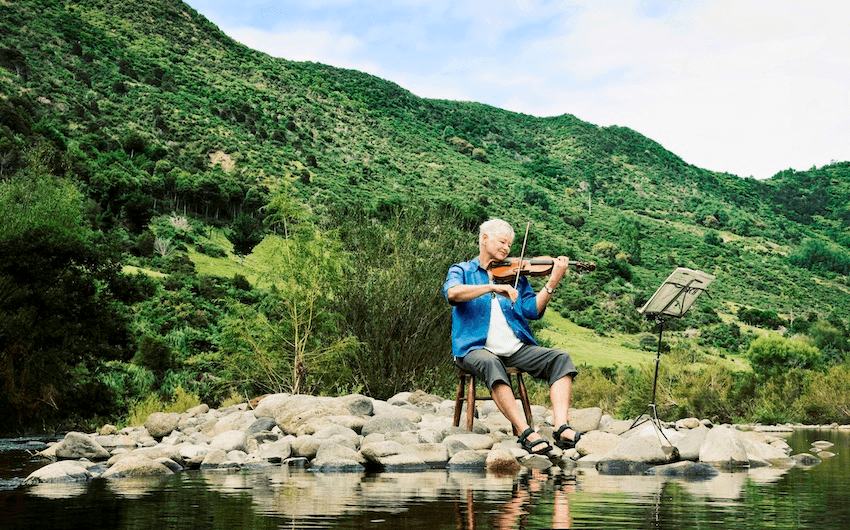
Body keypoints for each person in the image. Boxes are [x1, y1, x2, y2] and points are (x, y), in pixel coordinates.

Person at [443, 218, 581, 455]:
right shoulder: (462, 270)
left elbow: (532, 311)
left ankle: (562, 428)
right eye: (502, 242)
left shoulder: (516, 275)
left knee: (560, 358)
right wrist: (492, 287)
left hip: (515, 349)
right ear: (484, 238)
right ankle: (525, 431)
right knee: (490, 362)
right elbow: (453, 294)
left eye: (509, 245)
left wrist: (552, 282)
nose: (507, 249)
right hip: (473, 350)